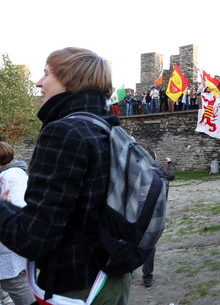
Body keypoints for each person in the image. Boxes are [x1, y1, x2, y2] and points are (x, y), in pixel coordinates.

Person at [0, 48, 131, 303]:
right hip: (111, 276)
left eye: (46, 74)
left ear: (70, 81)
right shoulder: (107, 127)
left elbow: (34, 239)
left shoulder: (64, 132)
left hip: (76, 288)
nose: (38, 83)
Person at [0, 142, 34, 305]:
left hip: (9, 237)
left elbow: (17, 204)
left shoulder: (8, 177)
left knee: (14, 282)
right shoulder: (16, 173)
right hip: (14, 234)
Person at [137, 143, 175, 288]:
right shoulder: (155, 167)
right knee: (148, 244)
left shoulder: (130, 167)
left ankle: (143, 274)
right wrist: (171, 163)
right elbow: (170, 175)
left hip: (138, 211)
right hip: (148, 211)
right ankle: (147, 276)